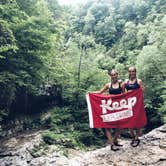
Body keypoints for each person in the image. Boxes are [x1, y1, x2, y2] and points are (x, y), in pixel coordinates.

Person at [92, 69, 124, 151]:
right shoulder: (108, 85)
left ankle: (115, 140)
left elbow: (125, 95)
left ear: (117, 75)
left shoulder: (121, 84)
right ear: (110, 76)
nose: (113, 76)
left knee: (121, 125)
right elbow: (99, 92)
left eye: (115, 74)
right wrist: (91, 93)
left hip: (119, 107)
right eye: (112, 75)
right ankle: (112, 144)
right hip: (109, 107)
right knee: (107, 126)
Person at [124, 66, 145, 147]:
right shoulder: (126, 82)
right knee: (129, 120)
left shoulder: (139, 81)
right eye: (130, 71)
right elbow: (123, 92)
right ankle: (133, 136)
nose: (131, 73)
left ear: (135, 72)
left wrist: (136, 94)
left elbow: (142, 91)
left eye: (133, 71)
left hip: (137, 104)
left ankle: (136, 138)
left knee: (138, 121)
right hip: (129, 104)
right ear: (128, 72)